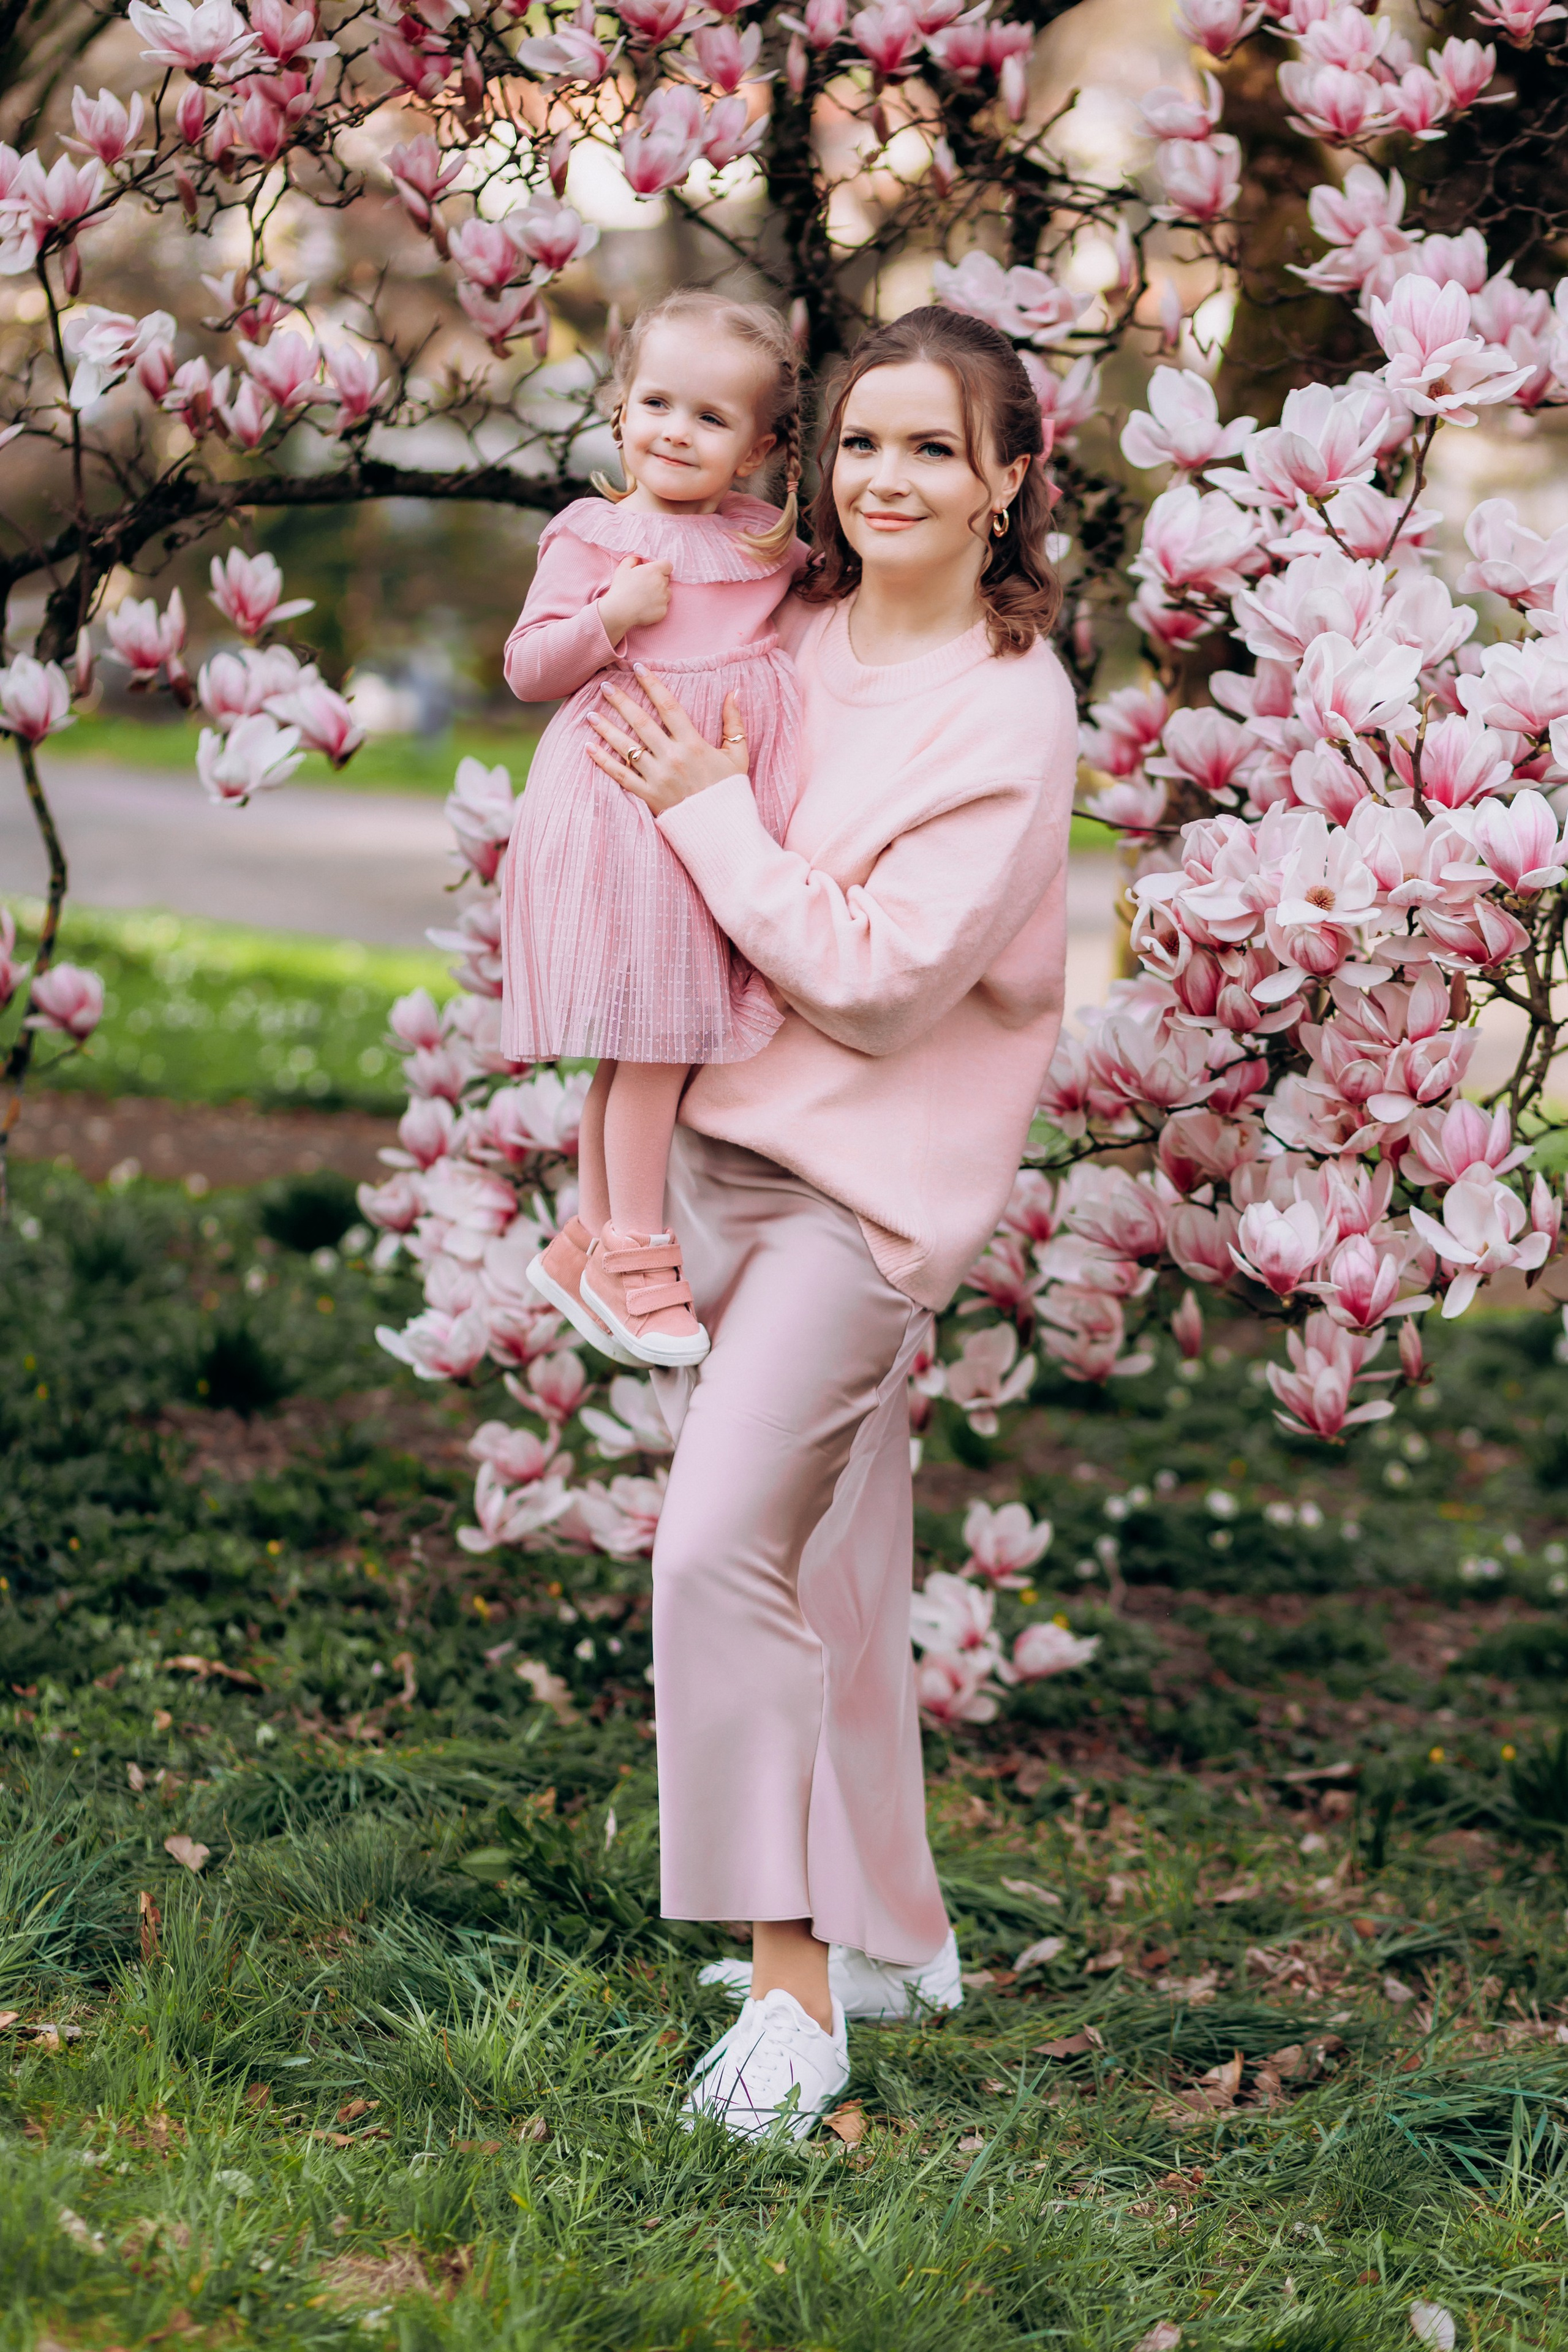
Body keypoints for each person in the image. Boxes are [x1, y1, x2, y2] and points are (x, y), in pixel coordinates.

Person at [584, 304, 1078, 2139]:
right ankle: (897, 1937)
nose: (886, 479)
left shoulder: (1010, 716)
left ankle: (796, 1994)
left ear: (1011, 476)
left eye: (936, 449)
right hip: (716, 1154)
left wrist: (714, 815)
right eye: (862, 442)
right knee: (844, 1576)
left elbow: (874, 984)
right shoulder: (783, 629)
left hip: (857, 1207)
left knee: (717, 1550)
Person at [499, 289, 806, 1371]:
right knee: (658, 1042)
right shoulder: (595, 536)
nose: (678, 429)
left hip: (711, 807)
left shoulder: (769, 545)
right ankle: (636, 1248)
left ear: (761, 447)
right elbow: (529, 668)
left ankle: (588, 1242)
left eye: (712, 418)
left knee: (643, 1038)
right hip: (616, 806)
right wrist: (609, 619)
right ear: (621, 409)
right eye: (658, 403)